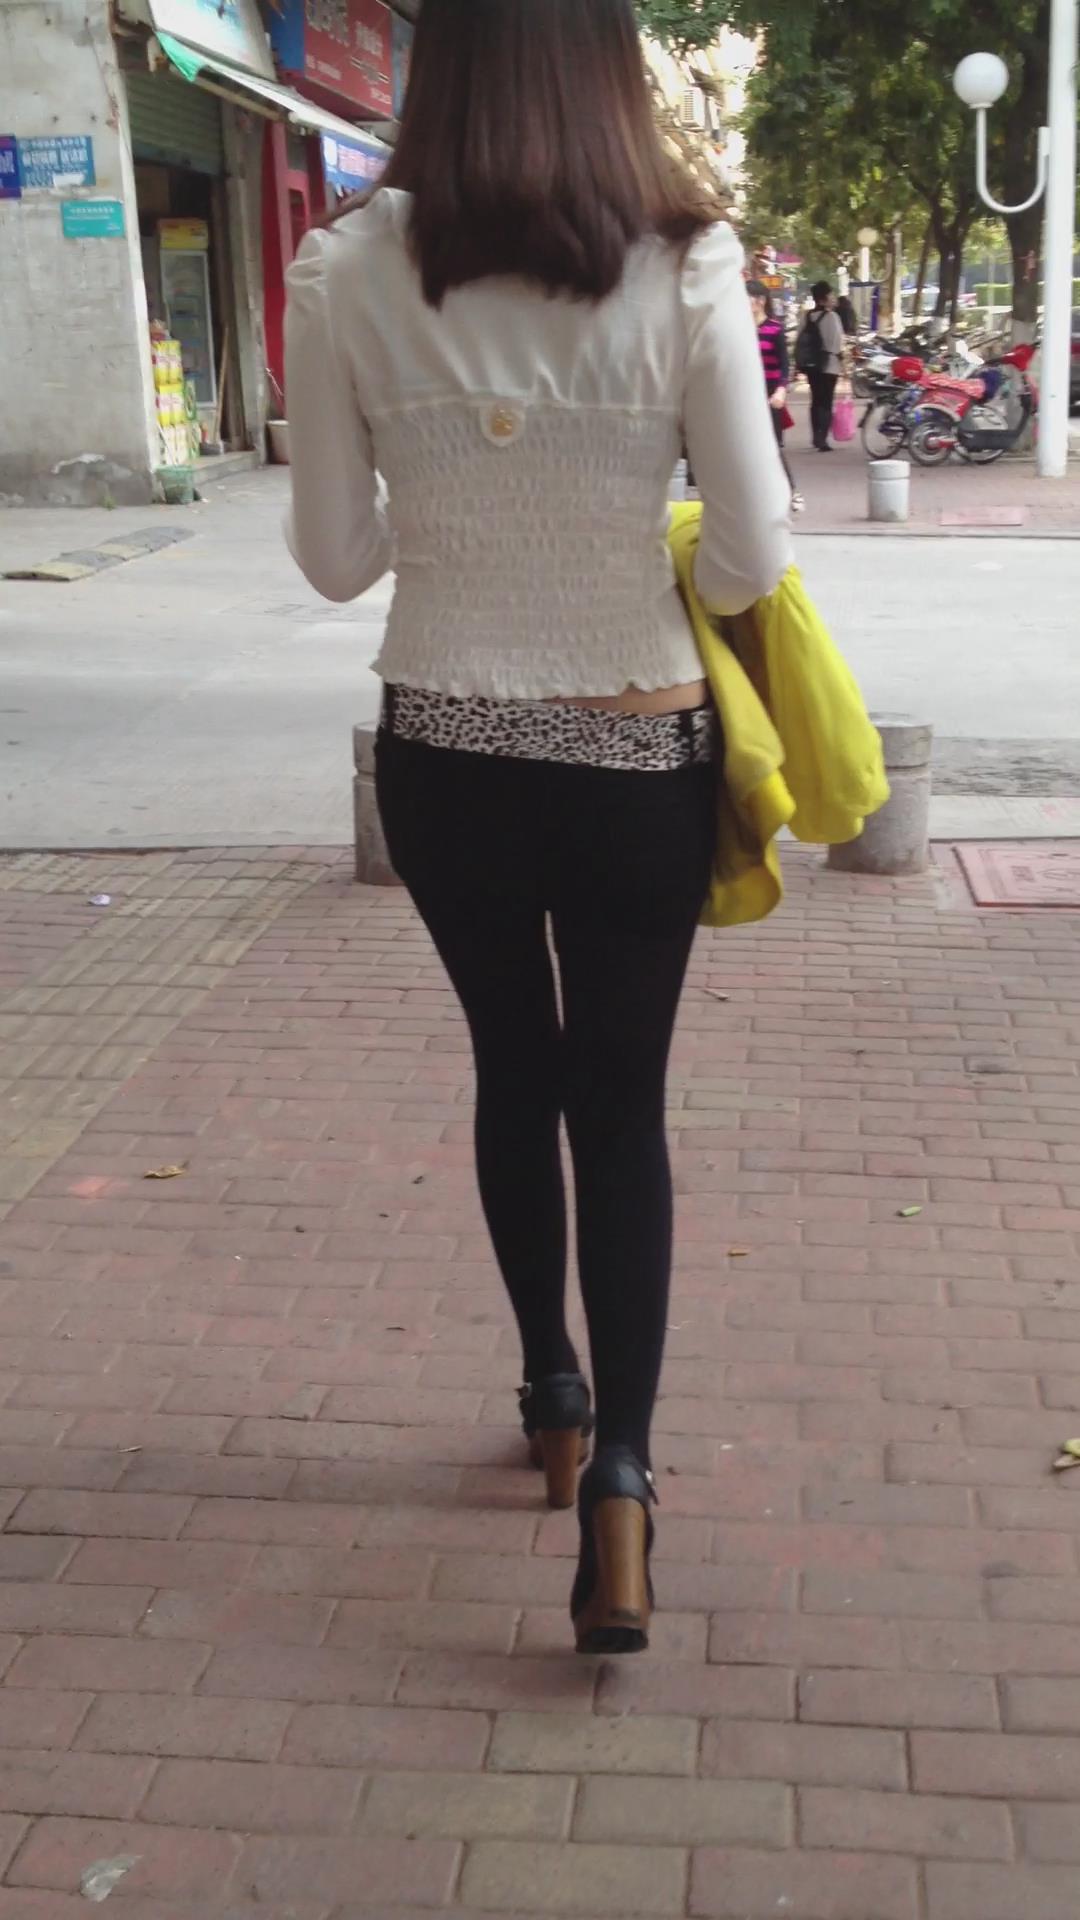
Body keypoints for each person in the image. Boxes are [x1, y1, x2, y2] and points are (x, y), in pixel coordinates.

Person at [283, 0, 791, 1656]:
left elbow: (335, 561)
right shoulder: (686, 265)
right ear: (603, 64)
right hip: (639, 751)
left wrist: (453, 516)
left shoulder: (344, 269)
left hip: (447, 749)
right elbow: (754, 554)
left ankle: (552, 1393)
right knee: (621, 1106)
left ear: (439, 65)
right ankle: (623, 1485)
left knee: (515, 1069)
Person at [747, 279, 804, 514]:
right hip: (746, 394)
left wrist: (781, 390)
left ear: (760, 301)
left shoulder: (774, 329)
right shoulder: (739, 329)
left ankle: (792, 492)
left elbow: (784, 365)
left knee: (772, 446)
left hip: (770, 393)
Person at [800, 282, 846, 451]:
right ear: (823, 299)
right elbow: (837, 343)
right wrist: (842, 361)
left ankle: (815, 437)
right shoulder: (832, 317)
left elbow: (800, 339)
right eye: (830, 295)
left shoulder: (807, 316)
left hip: (812, 365)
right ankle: (823, 439)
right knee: (826, 401)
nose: (833, 298)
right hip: (830, 364)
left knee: (815, 400)